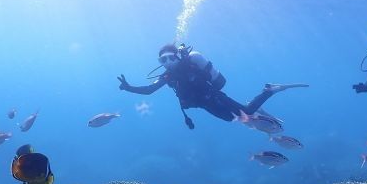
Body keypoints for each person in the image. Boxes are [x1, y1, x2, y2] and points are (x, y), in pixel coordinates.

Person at [118, 43, 306, 129]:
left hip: (213, 97)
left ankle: (269, 90)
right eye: (162, 59)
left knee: (246, 113)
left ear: (177, 56)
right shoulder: (168, 75)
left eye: (170, 57)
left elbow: (212, 81)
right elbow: (150, 90)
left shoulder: (190, 65)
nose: (167, 62)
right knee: (232, 119)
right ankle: (259, 108)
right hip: (204, 104)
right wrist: (129, 87)